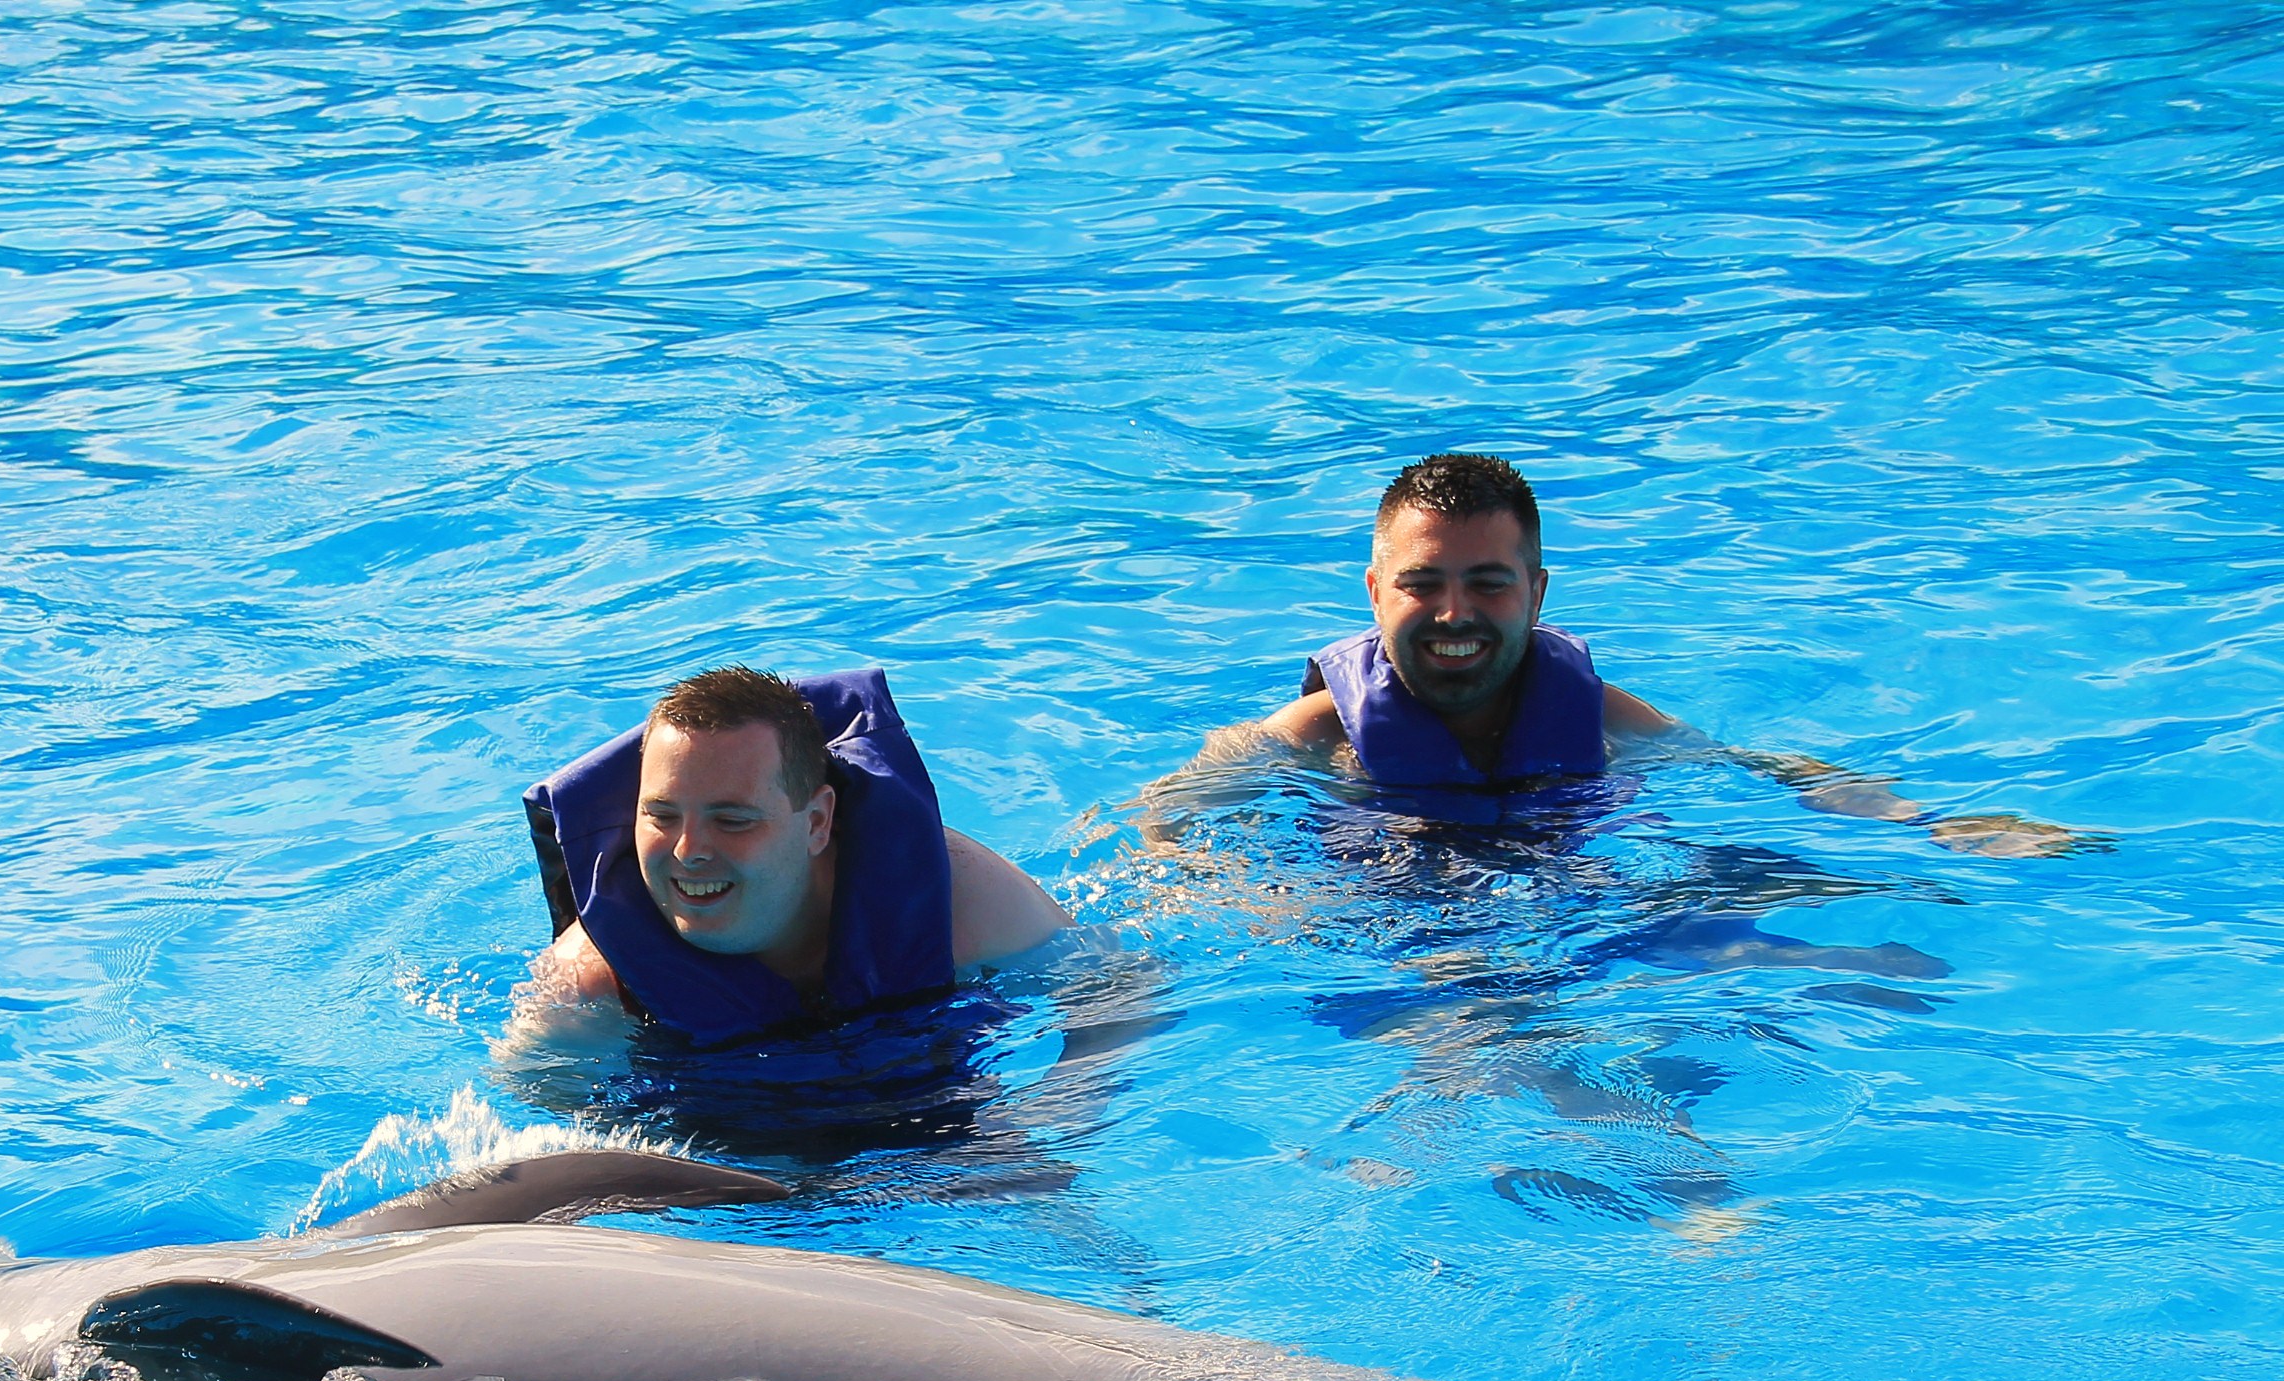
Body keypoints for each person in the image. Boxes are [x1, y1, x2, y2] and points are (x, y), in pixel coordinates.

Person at [1149, 451, 2085, 854]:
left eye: (1487, 583)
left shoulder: (1598, 715)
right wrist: (1187, 871)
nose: (1453, 612)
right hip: (1393, 915)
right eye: (1422, 583)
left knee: (1831, 932)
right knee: (1475, 1027)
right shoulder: (1321, 731)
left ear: (1537, 593)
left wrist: (1934, 825)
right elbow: (1177, 800)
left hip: (1565, 894)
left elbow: (1759, 769)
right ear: (1374, 594)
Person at [511, 665, 1069, 1047]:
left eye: (733, 820)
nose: (689, 851)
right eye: (662, 816)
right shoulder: (590, 984)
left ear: (818, 821)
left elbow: (1106, 999)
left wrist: (1050, 1121)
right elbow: (539, 1122)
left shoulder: (962, 897)